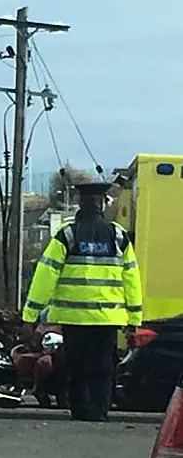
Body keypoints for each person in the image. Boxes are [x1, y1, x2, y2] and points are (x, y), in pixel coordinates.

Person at [21, 178, 143, 422]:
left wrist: (30, 317)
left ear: (79, 202)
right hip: (108, 319)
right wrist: (134, 319)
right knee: (104, 366)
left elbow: (45, 276)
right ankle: (100, 411)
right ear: (102, 203)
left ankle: (81, 411)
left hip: (74, 318)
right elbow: (132, 279)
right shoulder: (118, 237)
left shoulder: (67, 235)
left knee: (77, 367)